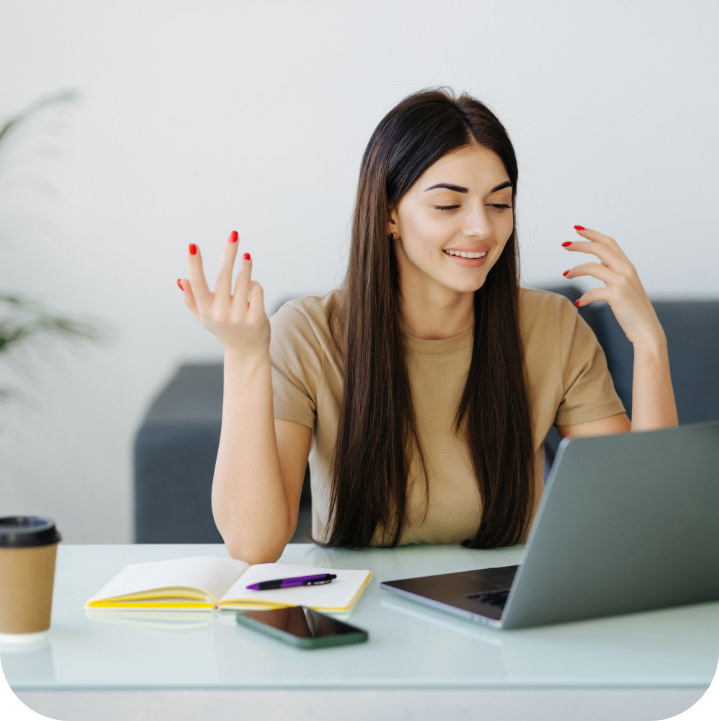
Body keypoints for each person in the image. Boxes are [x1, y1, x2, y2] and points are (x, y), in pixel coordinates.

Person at [178, 89, 678, 564]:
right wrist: (244, 357)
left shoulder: (553, 327)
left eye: (499, 204)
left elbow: (643, 518)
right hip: (356, 614)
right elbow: (252, 543)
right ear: (389, 213)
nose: (481, 227)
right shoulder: (308, 333)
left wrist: (649, 345)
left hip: (502, 614)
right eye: (448, 204)